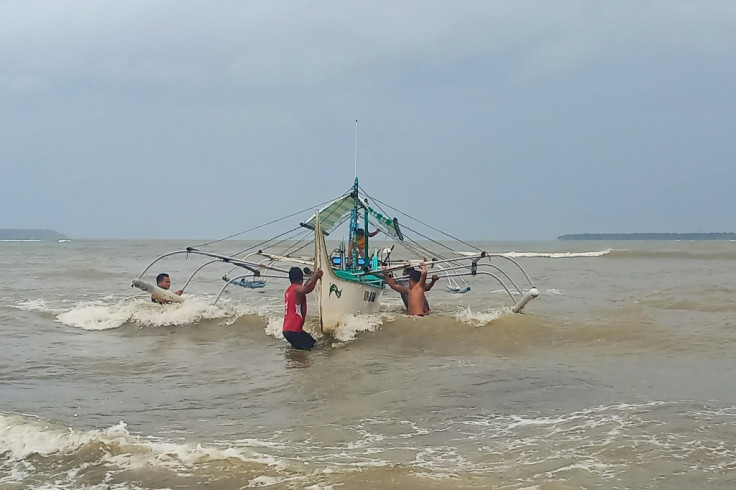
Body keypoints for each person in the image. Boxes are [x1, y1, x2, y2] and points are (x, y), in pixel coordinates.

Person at [283, 266, 323, 350]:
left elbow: (302, 291)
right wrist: (316, 277)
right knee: (314, 348)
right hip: (294, 330)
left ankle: (295, 361)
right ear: (301, 278)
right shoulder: (297, 289)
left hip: (287, 330)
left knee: (308, 346)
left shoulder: (289, 290)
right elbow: (306, 290)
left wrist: (310, 281)